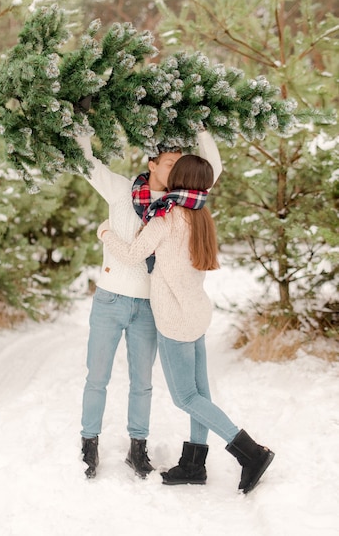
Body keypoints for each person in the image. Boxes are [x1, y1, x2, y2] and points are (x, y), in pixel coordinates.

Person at [97, 154, 275, 494]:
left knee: (186, 397)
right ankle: (194, 464)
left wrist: (105, 233)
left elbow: (133, 254)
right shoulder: (201, 216)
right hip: (196, 313)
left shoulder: (165, 218)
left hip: (175, 319)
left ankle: (251, 454)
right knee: (200, 393)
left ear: (177, 178)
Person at [76, 130, 222, 479]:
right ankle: (88, 444)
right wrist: (80, 126)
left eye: (179, 164)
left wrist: (202, 128)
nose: (175, 170)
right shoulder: (122, 190)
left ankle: (137, 448)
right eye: (169, 163)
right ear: (151, 163)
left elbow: (212, 168)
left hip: (148, 305)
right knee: (97, 376)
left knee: (143, 382)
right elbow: (87, 165)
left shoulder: (181, 201)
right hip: (110, 298)